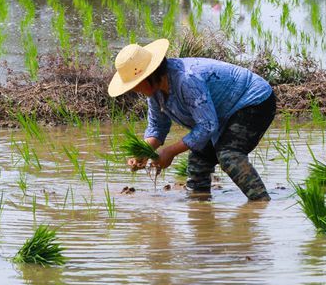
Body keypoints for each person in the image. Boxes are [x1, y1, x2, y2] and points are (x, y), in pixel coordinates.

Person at [108, 39, 275, 200]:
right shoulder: (154, 92)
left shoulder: (186, 79)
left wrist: (170, 152)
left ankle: (260, 204)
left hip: (253, 101)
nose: (135, 89)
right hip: (220, 113)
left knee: (228, 154)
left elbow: (208, 126)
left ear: (149, 75)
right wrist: (143, 152)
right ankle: (200, 212)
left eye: (135, 84)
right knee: (198, 162)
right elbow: (158, 127)